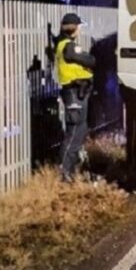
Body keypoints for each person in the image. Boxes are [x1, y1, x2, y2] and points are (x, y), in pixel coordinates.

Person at [55, 13, 96, 183]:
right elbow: (90, 60)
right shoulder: (68, 47)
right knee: (74, 134)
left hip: (78, 92)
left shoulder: (64, 44)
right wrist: (89, 58)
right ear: (73, 28)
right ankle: (65, 175)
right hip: (73, 92)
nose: (80, 29)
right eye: (78, 26)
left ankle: (69, 172)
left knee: (78, 132)